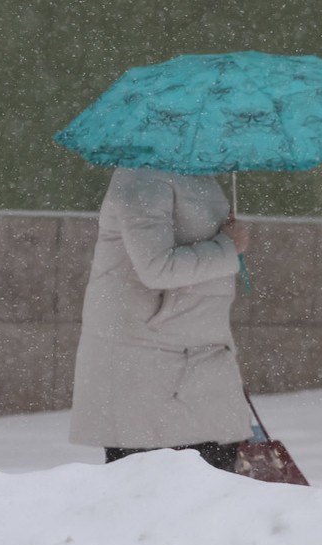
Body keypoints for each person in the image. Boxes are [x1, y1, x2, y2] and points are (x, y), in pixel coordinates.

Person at [68, 167, 253, 471]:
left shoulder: (194, 174)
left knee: (209, 488)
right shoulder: (142, 177)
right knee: (159, 488)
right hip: (152, 365)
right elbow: (157, 268)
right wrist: (227, 246)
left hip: (195, 362)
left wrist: (225, 236)